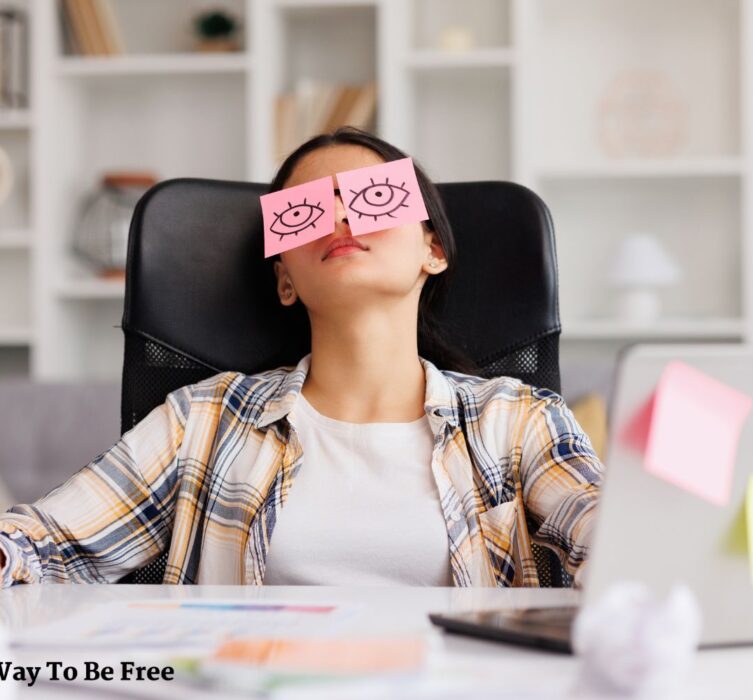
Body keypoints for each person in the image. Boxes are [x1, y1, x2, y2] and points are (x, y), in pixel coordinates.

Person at [0, 127, 604, 588]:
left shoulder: (520, 422)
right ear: (284, 278)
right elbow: (45, 542)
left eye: (375, 198)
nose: (341, 216)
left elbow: (609, 535)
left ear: (433, 250)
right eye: (306, 210)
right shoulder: (202, 422)